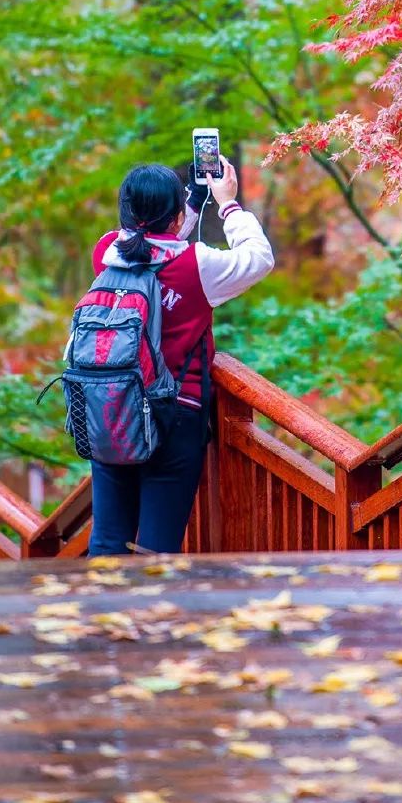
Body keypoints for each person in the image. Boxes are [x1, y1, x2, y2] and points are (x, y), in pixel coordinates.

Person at [86, 159, 273, 556]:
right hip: (174, 415)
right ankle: (152, 619)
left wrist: (192, 200)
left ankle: (100, 615)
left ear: (125, 212)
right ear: (173, 219)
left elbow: (148, 244)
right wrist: (228, 205)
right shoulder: (196, 265)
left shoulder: (106, 252)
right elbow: (259, 258)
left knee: (107, 541)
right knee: (157, 550)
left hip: (110, 408)